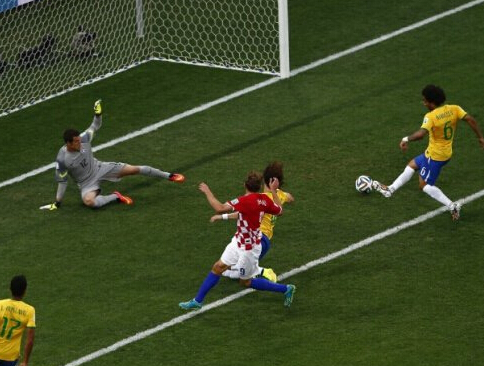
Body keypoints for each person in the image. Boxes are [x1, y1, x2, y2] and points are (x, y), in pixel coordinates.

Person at [179, 171, 297, 310]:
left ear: (244, 185)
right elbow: (279, 211)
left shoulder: (243, 201)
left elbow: (219, 208)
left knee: (245, 282)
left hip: (250, 249)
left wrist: (207, 191)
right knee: (218, 267)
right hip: (238, 241)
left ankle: (286, 289)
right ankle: (197, 301)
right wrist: (273, 190)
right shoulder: (264, 200)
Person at [371, 85, 484, 220]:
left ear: (432, 103)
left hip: (436, 156)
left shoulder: (431, 116)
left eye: (425, 101)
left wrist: (406, 139)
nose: (423, 103)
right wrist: (480, 137)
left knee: (424, 185)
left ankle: (452, 205)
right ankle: (390, 189)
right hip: (443, 152)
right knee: (412, 165)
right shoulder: (454, 108)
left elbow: (421, 135)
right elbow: (470, 119)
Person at [43, 99, 185, 210]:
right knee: (89, 202)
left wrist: (98, 115)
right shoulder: (62, 159)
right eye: (76, 142)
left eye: (79, 140)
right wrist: (58, 202)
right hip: (86, 183)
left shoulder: (84, 139)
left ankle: (169, 176)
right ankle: (115, 197)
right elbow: (62, 182)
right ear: (68, 143)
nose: (80, 143)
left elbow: (95, 125)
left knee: (134, 169)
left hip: (100, 168)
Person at [211, 161, 295, 281]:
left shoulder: (263, 200)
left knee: (234, 273)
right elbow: (290, 198)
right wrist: (278, 192)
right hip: (266, 240)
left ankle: (263, 271)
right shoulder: (280, 195)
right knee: (232, 270)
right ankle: (252, 270)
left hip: (256, 239)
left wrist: (223, 216)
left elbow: (241, 214)